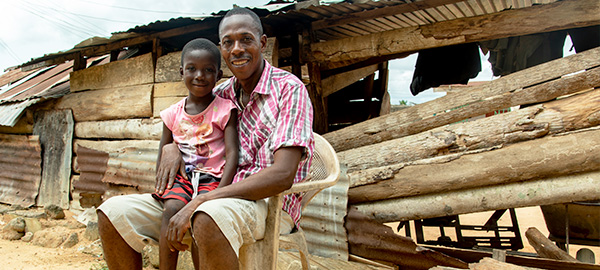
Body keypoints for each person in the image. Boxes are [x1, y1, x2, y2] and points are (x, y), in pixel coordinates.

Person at [97, 7, 314, 270]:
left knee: (205, 217)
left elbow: (283, 174)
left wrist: (205, 199)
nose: (236, 49)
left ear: (263, 43)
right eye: (228, 42)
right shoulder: (218, 92)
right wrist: (172, 147)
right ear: (221, 50)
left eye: (246, 39)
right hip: (203, 191)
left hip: (266, 203)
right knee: (112, 212)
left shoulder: (289, 89)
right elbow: (184, 124)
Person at [152, 38, 238, 269]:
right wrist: (162, 183)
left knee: (201, 219)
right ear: (182, 72)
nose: (200, 75)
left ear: (218, 75)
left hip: (213, 179)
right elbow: (164, 151)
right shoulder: (171, 114)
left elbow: (233, 154)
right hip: (183, 178)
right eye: (192, 68)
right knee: (170, 210)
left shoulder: (225, 109)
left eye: (208, 70)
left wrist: (223, 191)